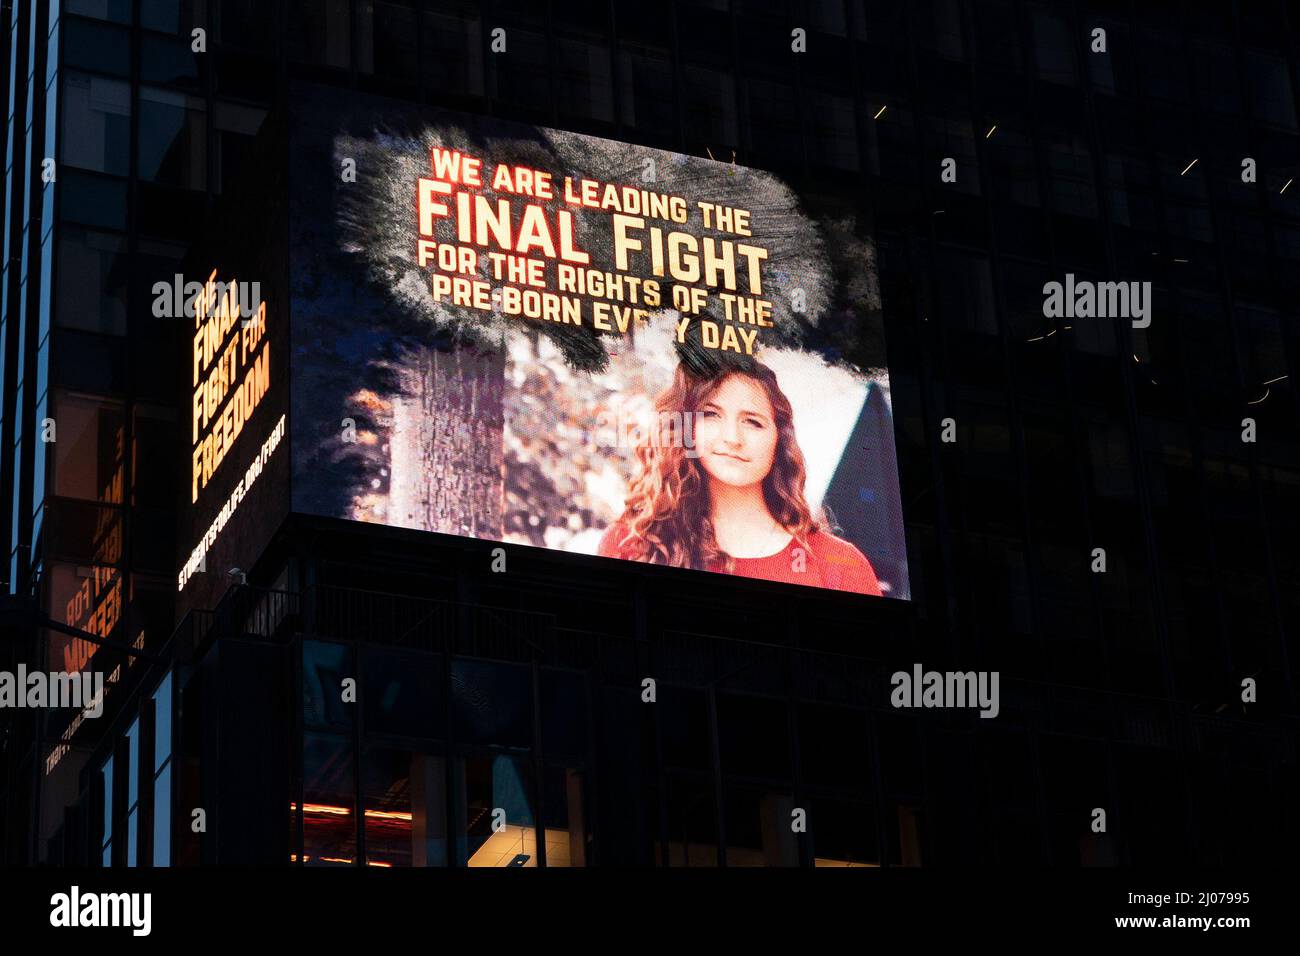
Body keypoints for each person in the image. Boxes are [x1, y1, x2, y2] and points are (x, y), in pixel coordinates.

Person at [598, 360, 881, 595]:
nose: (732, 438)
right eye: (711, 414)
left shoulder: (841, 566)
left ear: (778, 441)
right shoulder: (629, 545)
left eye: (753, 422)